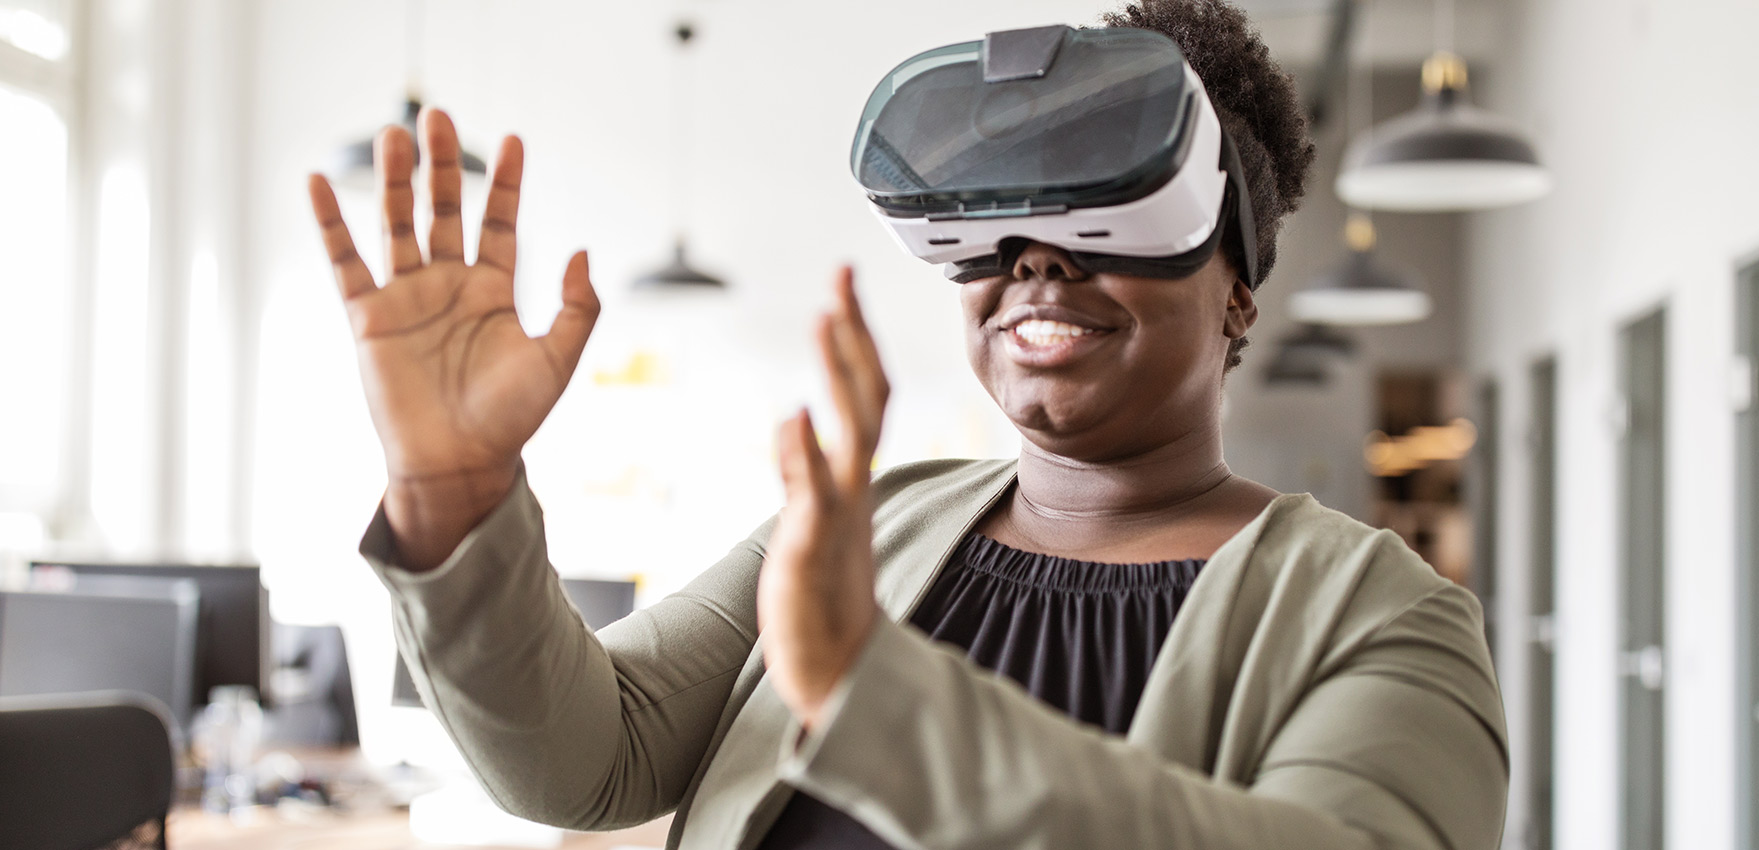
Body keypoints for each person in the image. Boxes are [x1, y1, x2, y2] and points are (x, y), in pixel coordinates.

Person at [306, 1, 1507, 848]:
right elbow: (585, 758)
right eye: (1010, 218)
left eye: (1110, 209)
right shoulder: (864, 530)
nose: (1040, 256)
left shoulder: (1383, 619)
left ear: (1237, 282)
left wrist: (875, 700)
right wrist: (453, 494)